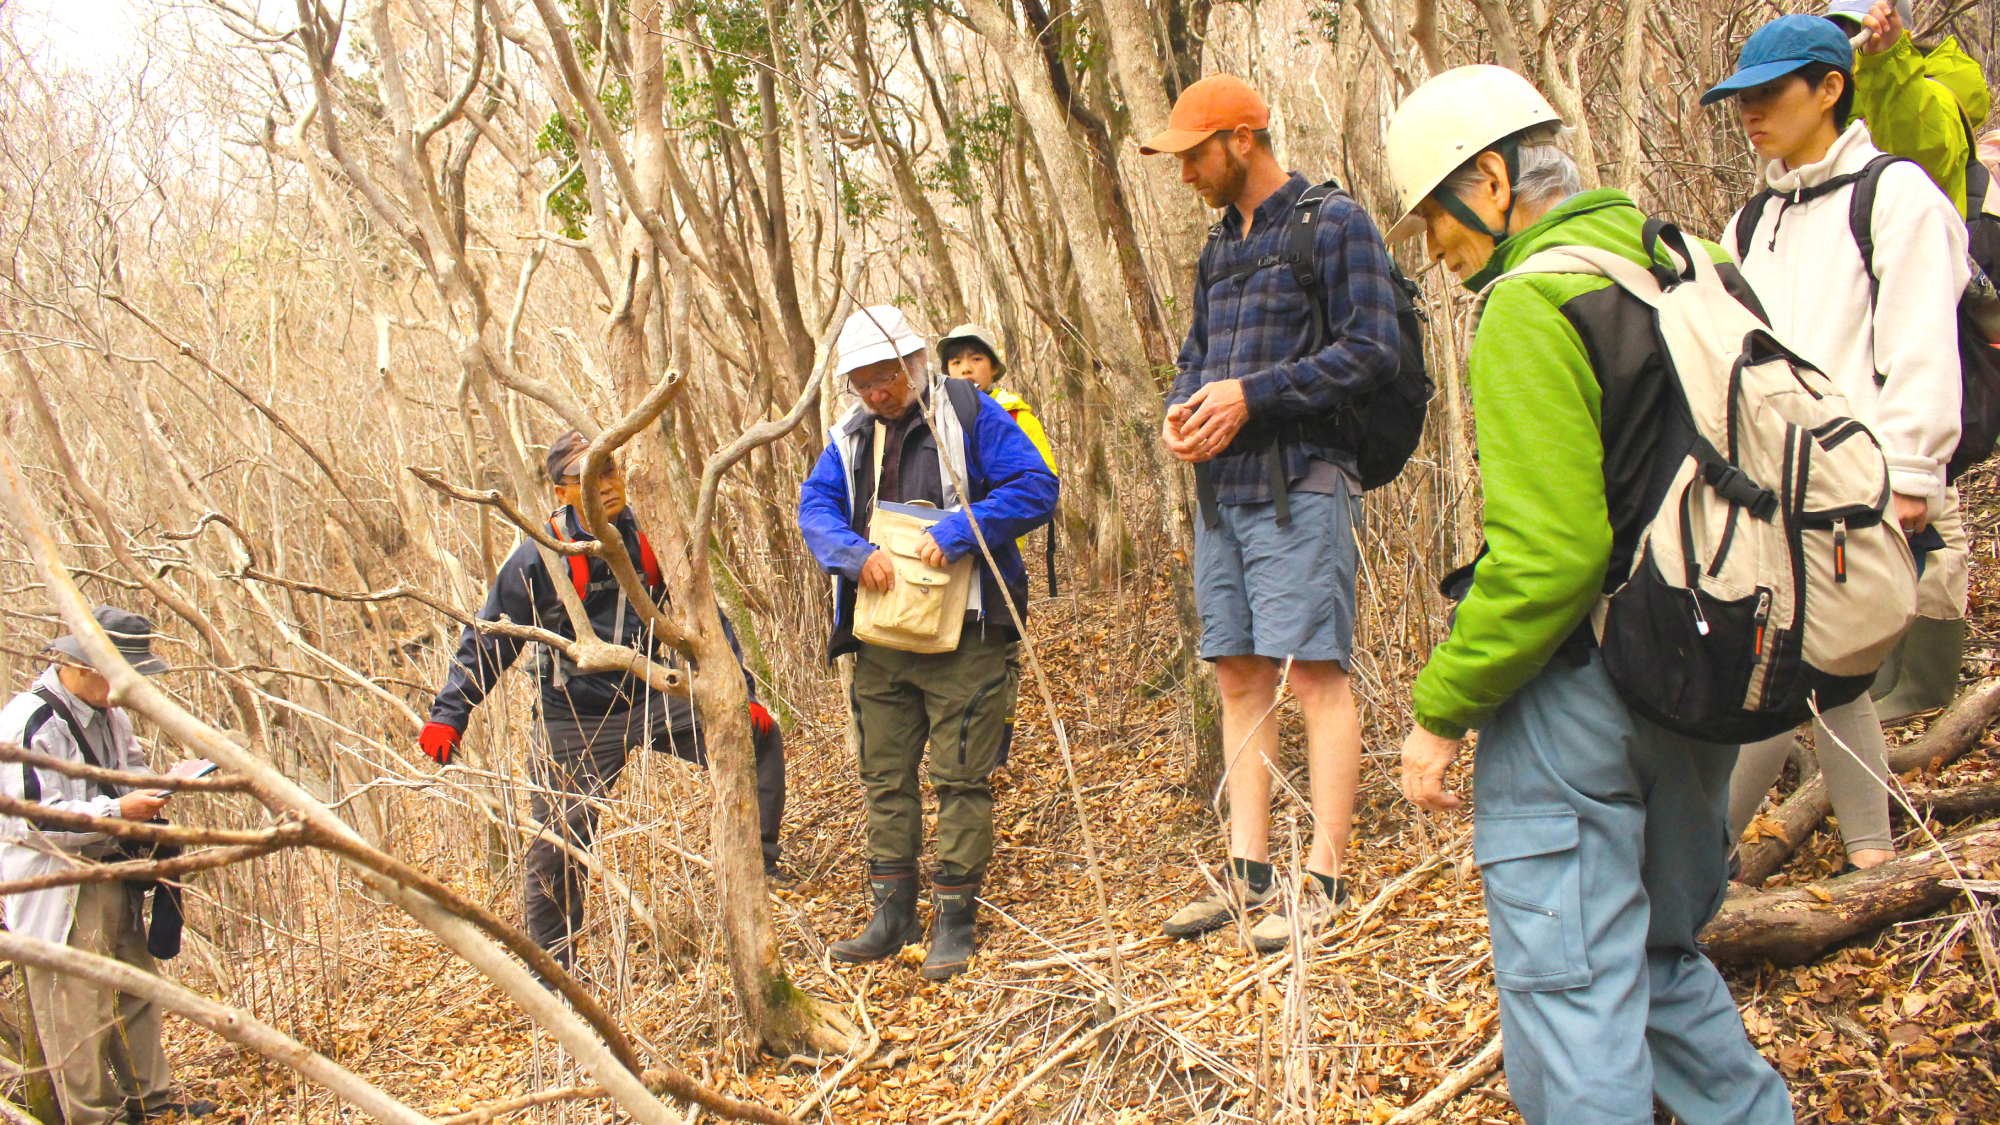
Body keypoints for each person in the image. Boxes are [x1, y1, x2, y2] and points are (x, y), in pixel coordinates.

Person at [1388, 65, 1793, 1124]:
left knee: (1570, 995)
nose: (1433, 249)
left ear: (1489, 177)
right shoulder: (1693, 261)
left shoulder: (1530, 302)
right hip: (1710, 679)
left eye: (1433, 216)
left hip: (1583, 699)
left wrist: (1441, 708)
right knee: (1660, 959)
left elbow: (1550, 557)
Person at [1140, 74, 1401, 954]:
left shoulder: (1335, 224)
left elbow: (1372, 349)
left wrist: (1254, 396)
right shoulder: (1218, 250)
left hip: (1306, 480)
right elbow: (1194, 359)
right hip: (1225, 493)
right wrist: (1184, 410)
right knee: (1238, 676)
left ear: (1241, 139)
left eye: (1192, 155)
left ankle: (1324, 879)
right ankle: (1246, 876)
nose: (1184, 175)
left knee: (1316, 672)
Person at [1705, 14, 1968, 873]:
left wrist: (1914, 474)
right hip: (1771, 490)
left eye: (1771, 92)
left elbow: (1921, 341)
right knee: (1828, 669)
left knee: (1787, 667)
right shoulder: (1751, 221)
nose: (1751, 112)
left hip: (1861, 486)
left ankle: (1699, 861)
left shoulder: (1895, 196)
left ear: (1830, 87)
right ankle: (1874, 857)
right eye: (1742, 97)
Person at [418, 432, 788, 968]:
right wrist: (449, 716)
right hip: (572, 719)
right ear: (561, 491)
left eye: (611, 471)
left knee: (757, 735)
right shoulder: (536, 557)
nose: (607, 486)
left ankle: (761, 863)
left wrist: (740, 694)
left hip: (653, 696)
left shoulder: (652, 536)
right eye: (588, 479)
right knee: (555, 852)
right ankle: (555, 973)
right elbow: (490, 637)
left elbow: (707, 613)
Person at [798, 305, 1058, 980]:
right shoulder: (850, 436)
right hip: (881, 634)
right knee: (883, 776)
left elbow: (1036, 487)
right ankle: (892, 912)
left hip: (965, 632)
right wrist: (853, 555)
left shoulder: (970, 411)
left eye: (886, 376)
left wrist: (960, 529)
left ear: (915, 364)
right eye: (863, 382)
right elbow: (815, 507)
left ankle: (955, 914)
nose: (878, 392)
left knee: (961, 774)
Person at [1824, 0, 1989, 719]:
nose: (1856, 36)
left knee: (1932, 494)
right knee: (1871, 493)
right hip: (1864, 310)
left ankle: (1926, 681)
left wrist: (1886, 61)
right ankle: (1885, 668)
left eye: (1861, 21)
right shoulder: (1835, 81)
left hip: (1928, 305)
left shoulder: (1940, 75)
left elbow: (1926, 152)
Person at [0, 606, 219, 1123]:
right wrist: (115, 810)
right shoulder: (27, 723)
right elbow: (28, 820)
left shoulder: (110, 715)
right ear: (84, 666)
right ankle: (96, 1117)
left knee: (137, 990)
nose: (125, 688)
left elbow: (130, 769)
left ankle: (155, 1102)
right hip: (58, 884)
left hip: (114, 872)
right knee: (78, 1012)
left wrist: (155, 790)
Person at [939, 322, 1056, 772]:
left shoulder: (1012, 415)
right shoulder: (939, 416)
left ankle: (996, 753)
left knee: (1001, 656)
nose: (965, 369)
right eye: (955, 361)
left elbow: (1038, 485)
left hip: (999, 559)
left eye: (976, 359)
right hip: (949, 556)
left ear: (993, 367)